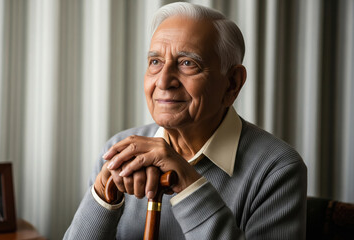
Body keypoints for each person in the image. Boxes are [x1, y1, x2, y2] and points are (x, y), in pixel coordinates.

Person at [64, 2, 307, 239]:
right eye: (155, 62)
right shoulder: (119, 150)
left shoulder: (277, 169)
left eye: (187, 63)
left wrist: (189, 185)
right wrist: (102, 198)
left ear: (232, 83)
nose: (163, 81)